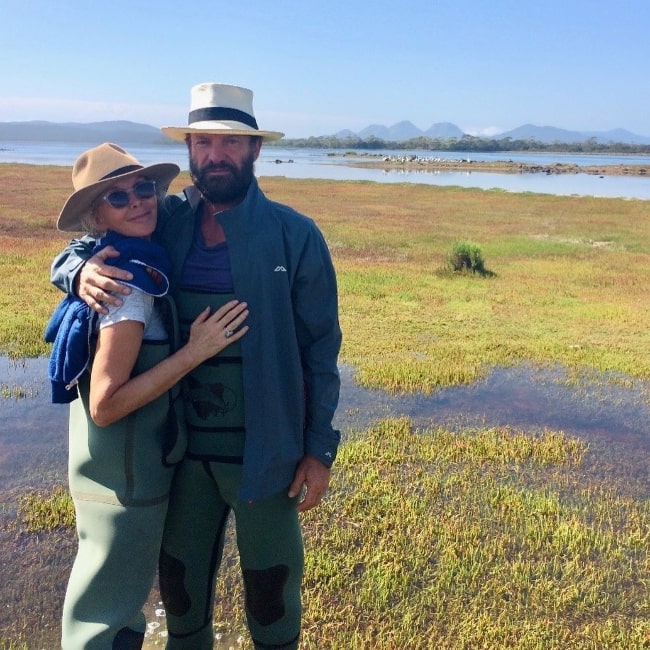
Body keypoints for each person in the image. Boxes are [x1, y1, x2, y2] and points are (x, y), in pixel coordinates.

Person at [51, 83, 342, 650]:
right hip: (180, 457)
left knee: (271, 600)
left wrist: (318, 449)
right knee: (181, 600)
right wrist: (73, 272)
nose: (215, 154)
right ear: (189, 149)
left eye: (230, 143)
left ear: (255, 150)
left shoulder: (295, 235)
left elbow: (321, 350)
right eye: (203, 141)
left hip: (269, 456)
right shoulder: (168, 219)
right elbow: (98, 238)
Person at [47, 142, 249, 650]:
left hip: (111, 473)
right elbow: (106, 403)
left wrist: (74, 270)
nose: (138, 202)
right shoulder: (127, 288)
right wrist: (195, 352)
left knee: (112, 607)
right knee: (103, 620)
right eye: (118, 198)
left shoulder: (115, 259)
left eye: (143, 189)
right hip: (126, 481)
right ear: (97, 216)